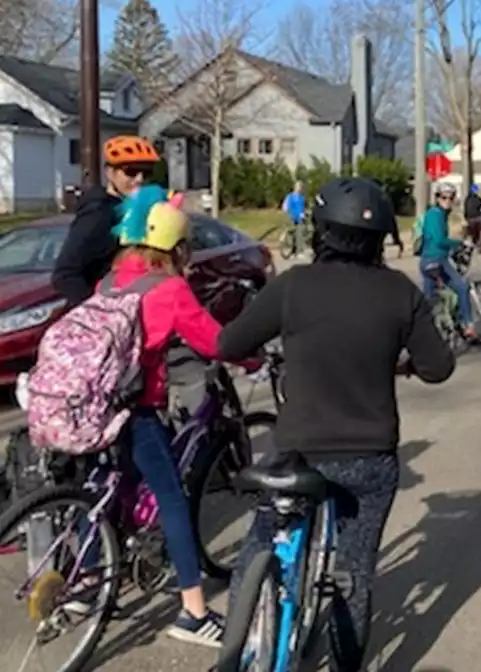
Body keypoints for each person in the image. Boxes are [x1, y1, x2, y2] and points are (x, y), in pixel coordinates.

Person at [219, 177, 455, 669]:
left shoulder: (293, 286)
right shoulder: (399, 292)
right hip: (369, 457)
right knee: (354, 567)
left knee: (263, 540)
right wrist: (403, 363)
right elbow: (439, 367)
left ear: (319, 231)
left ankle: (239, 643)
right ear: (382, 237)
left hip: (299, 449)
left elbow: (228, 345)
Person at [99, 185, 227, 644]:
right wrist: (250, 357)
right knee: (172, 499)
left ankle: (84, 585)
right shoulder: (170, 288)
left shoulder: (111, 280)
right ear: (177, 248)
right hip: (137, 408)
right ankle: (193, 612)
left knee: (108, 487)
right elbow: (213, 342)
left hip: (96, 404)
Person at [53, 135, 160, 306]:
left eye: (146, 173)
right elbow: (65, 274)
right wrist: (99, 313)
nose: (139, 179)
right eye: (130, 171)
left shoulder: (133, 207)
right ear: (110, 172)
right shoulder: (98, 214)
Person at [416, 183, 474, 338]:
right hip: (437, 260)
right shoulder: (436, 215)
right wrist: (460, 243)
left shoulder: (433, 214)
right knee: (462, 286)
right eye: (443, 197)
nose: (447, 201)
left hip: (425, 262)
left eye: (451, 197)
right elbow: (440, 240)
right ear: (437, 198)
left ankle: (424, 332)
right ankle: (467, 323)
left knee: (428, 301)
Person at [281, 180, 307, 252]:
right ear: (294, 187)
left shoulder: (301, 197)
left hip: (299, 217)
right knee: (297, 233)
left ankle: (296, 249)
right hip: (292, 216)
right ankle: (298, 251)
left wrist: (303, 213)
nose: (298, 188)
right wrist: (287, 212)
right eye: (297, 186)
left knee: (299, 232)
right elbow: (286, 206)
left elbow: (302, 207)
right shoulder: (290, 196)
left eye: (300, 186)